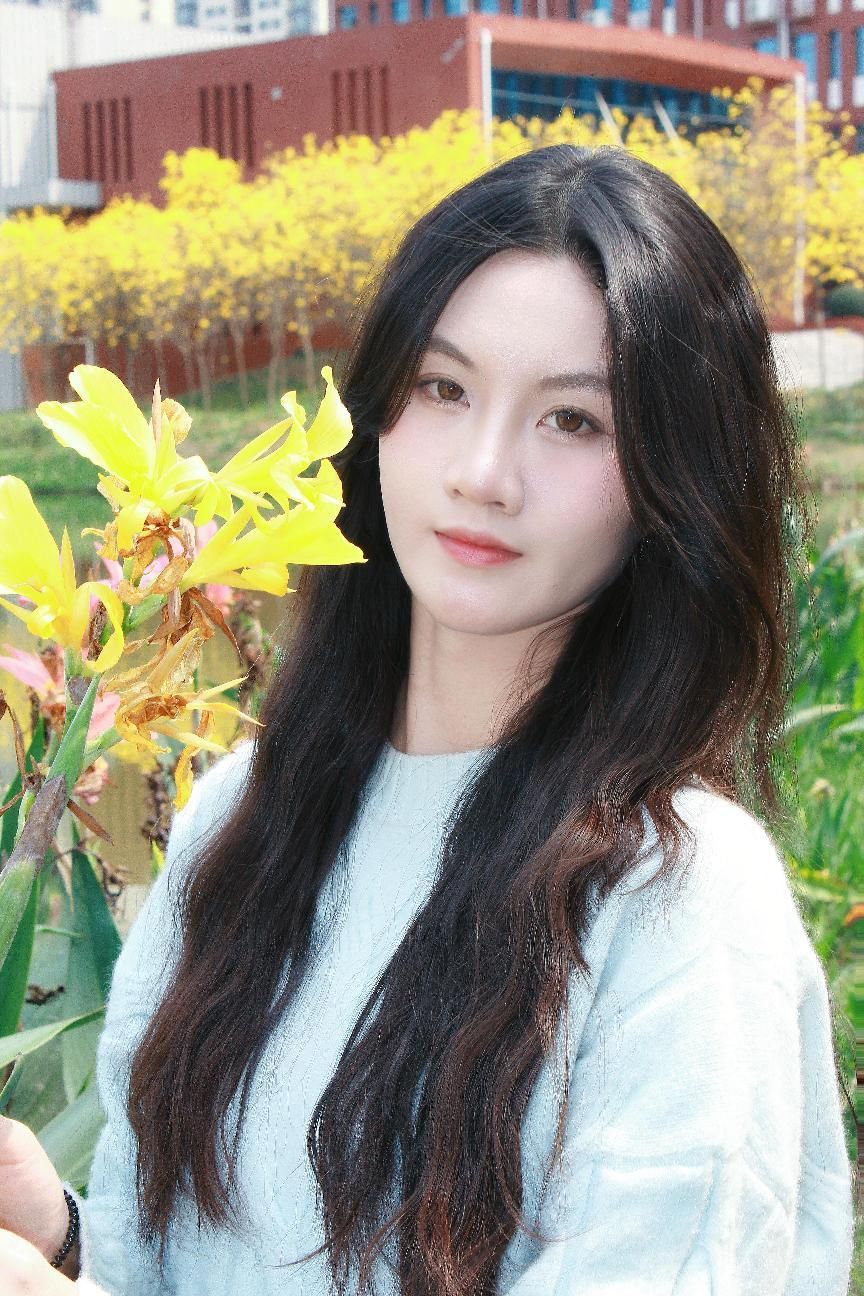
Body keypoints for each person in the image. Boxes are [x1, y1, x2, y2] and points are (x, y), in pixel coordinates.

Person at [0, 142, 854, 1295]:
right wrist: (61, 1239)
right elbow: (181, 1267)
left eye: (574, 421)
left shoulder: (680, 900)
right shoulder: (242, 818)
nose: (483, 473)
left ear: (674, 482)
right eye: (444, 390)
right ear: (376, 419)